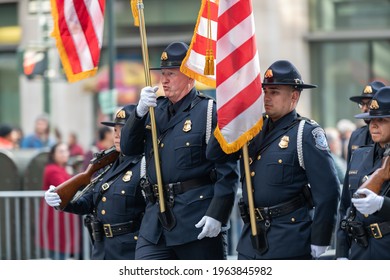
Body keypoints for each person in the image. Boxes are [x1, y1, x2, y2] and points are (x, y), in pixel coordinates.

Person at [120, 41, 240, 260]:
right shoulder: (155, 111)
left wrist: (218, 214)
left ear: (191, 76)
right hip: (156, 223)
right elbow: (129, 149)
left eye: (172, 74)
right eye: (163, 73)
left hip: (195, 218)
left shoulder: (209, 112)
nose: (164, 79)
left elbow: (227, 170)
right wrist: (138, 114)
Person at [236, 60, 340, 260]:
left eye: (274, 92)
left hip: (288, 240)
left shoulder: (305, 133)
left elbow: (328, 191)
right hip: (251, 240)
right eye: (265, 91)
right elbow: (215, 155)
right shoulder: (252, 130)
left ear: (294, 96)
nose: (266, 97)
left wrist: (321, 237)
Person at [44, 105, 146, 260]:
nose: (117, 136)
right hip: (101, 248)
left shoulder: (145, 164)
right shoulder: (110, 164)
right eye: (115, 130)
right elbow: (88, 202)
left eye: (123, 130)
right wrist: (61, 201)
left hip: (130, 251)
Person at [336, 86, 390, 260]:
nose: (373, 124)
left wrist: (383, 204)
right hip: (359, 249)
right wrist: (342, 252)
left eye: (381, 120)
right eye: (371, 119)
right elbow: (345, 207)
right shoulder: (360, 155)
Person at [38, 142, 81, 259]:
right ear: (53, 155)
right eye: (60, 151)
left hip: (64, 215)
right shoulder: (52, 169)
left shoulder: (64, 168)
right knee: (58, 248)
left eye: (66, 151)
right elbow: (64, 188)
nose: (64, 154)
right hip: (57, 217)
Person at [346, 81, 386, 162]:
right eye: (362, 104)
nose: (364, 109)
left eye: (370, 103)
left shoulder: (386, 135)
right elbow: (350, 171)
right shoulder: (356, 136)